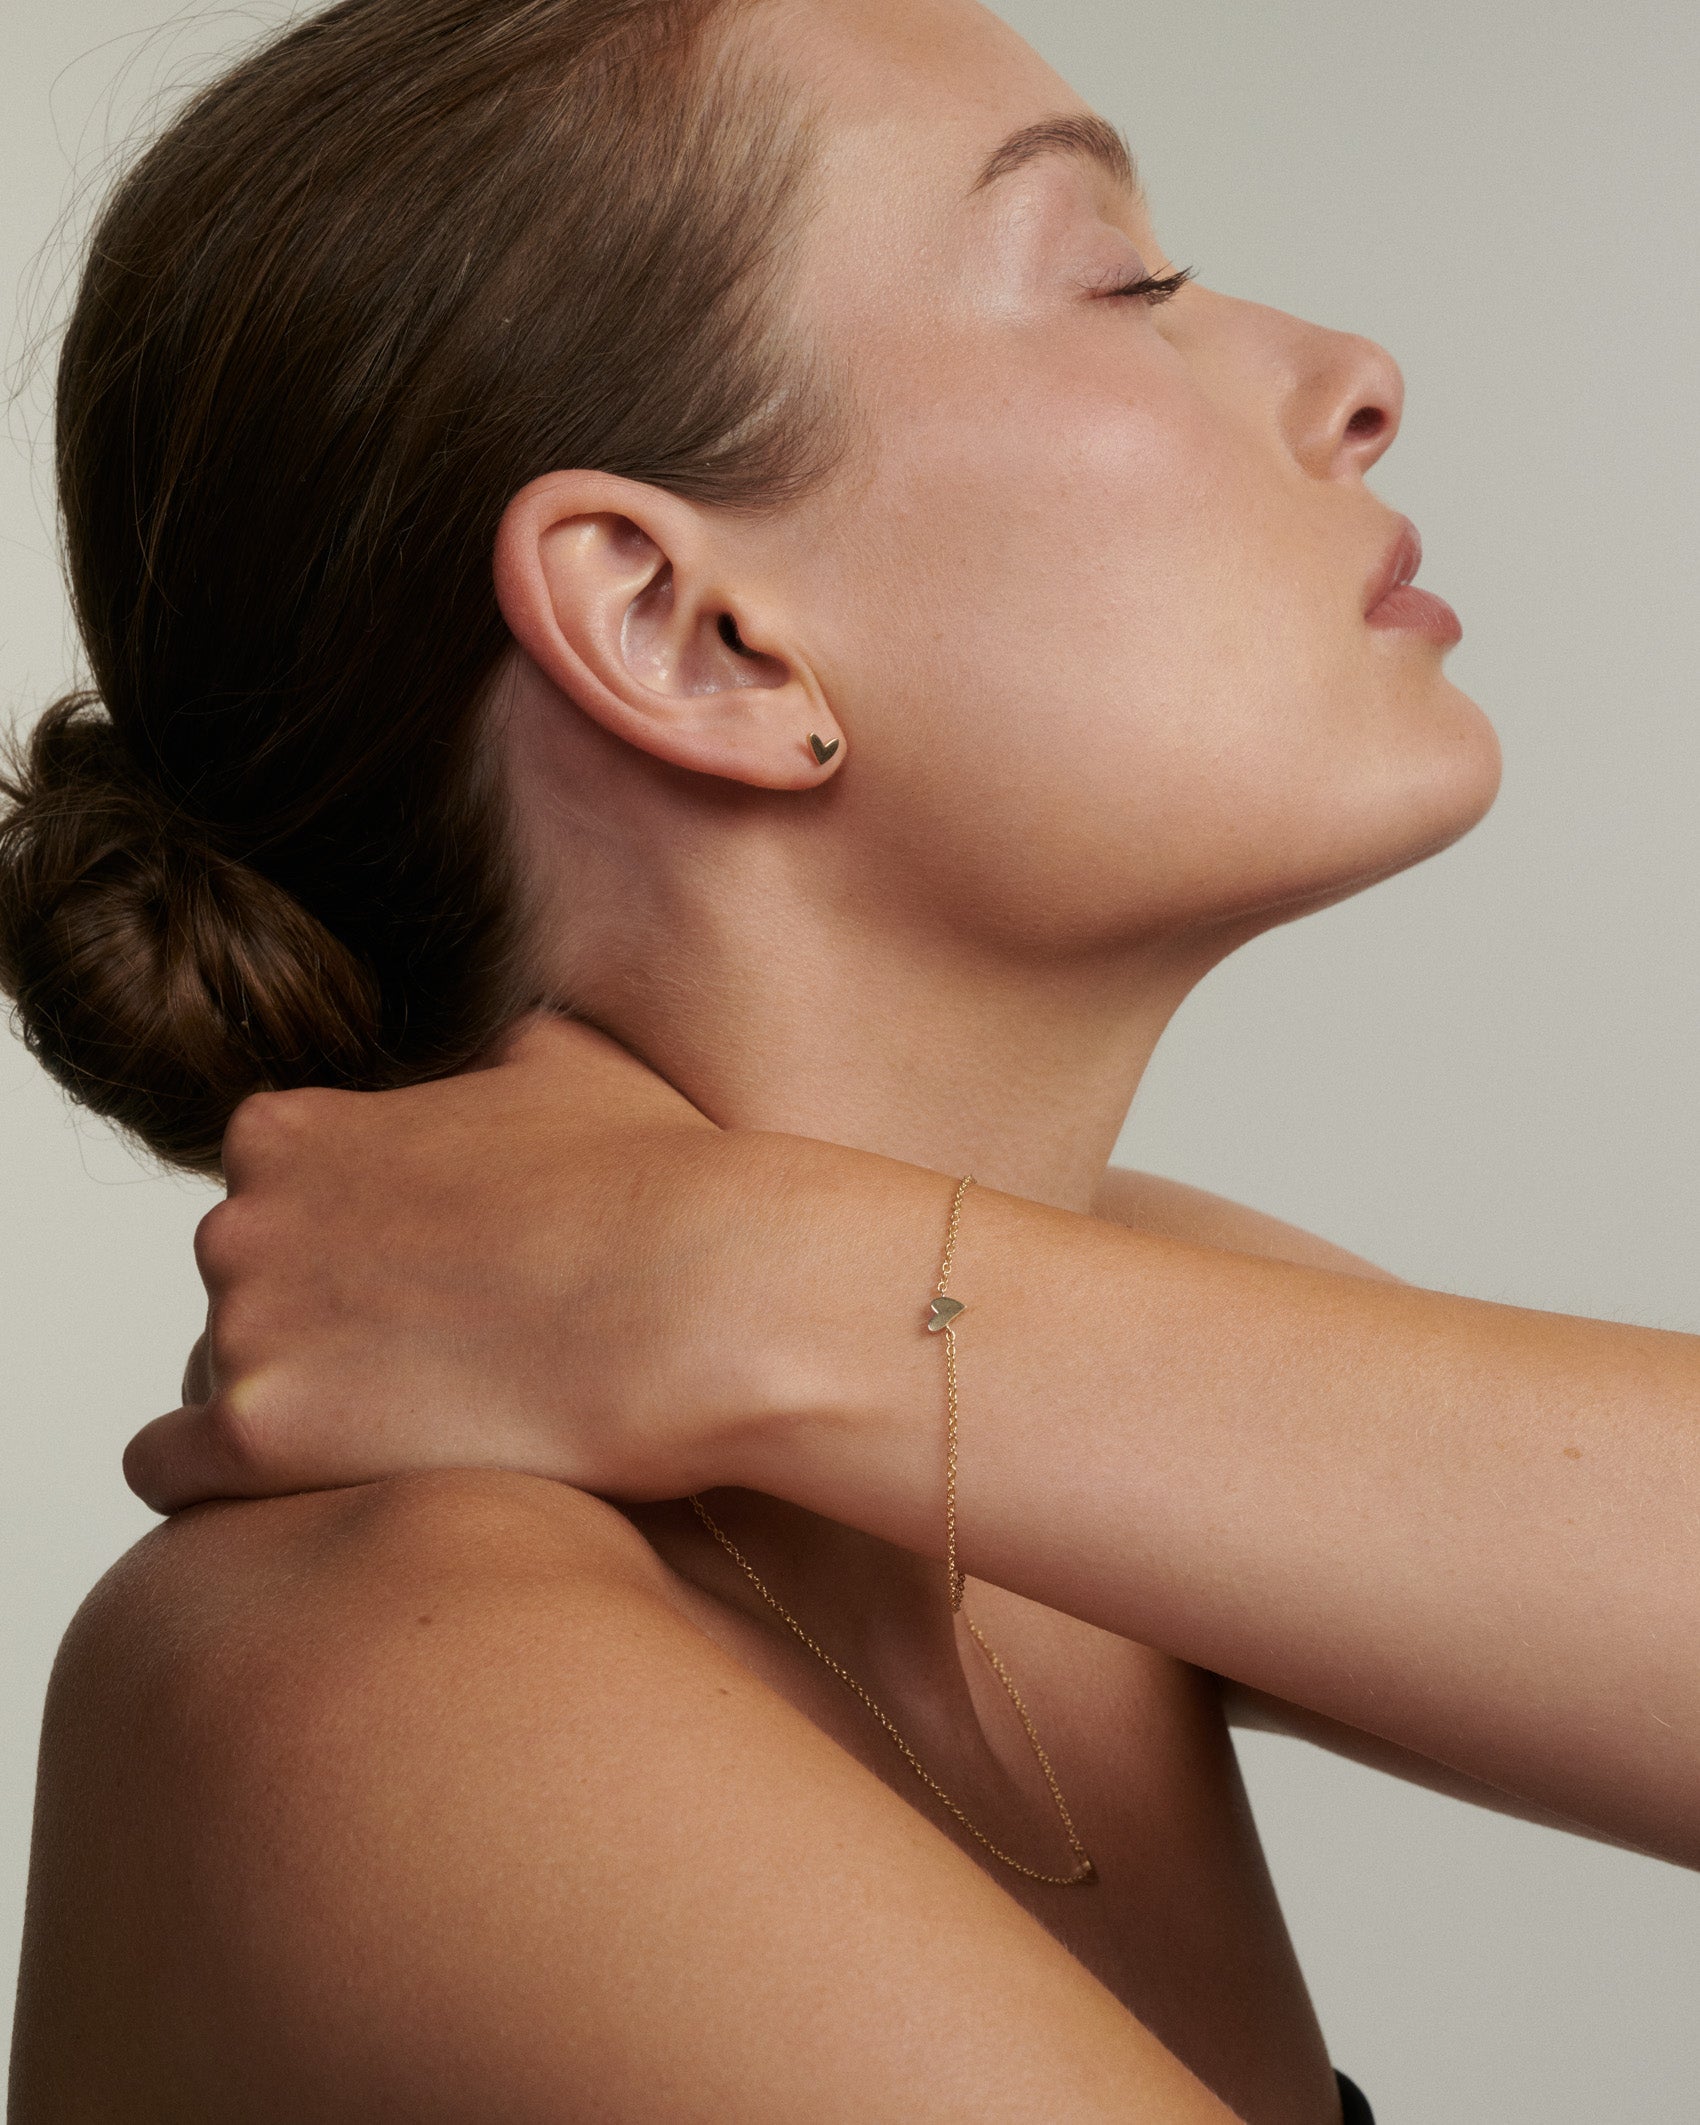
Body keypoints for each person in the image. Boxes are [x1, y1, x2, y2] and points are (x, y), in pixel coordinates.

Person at [4, 0, 1695, 2118]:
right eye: (1122, 281)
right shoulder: (401, 1689)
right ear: (684, 629)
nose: (1352, 378)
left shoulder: (1030, 1339)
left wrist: (738, 1284)